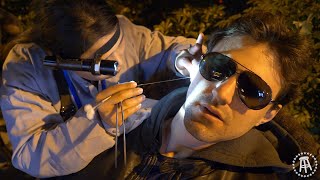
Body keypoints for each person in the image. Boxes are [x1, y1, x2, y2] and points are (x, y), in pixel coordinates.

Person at [53, 12, 320, 179]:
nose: (221, 93)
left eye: (252, 90)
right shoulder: (110, 127)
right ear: (200, 62)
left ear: (269, 113)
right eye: (218, 67)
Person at [0, 0, 200, 178]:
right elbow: (30, 156)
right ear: (62, 60)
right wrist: (99, 124)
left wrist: (182, 59)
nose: (117, 63)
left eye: (116, 45)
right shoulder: (24, 66)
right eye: (102, 63)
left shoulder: (118, 29)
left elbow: (166, 48)